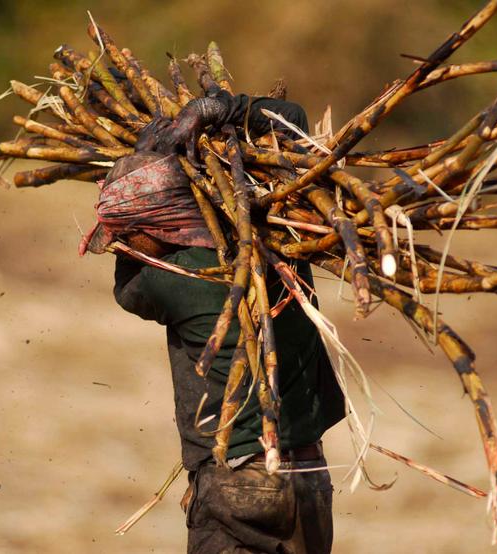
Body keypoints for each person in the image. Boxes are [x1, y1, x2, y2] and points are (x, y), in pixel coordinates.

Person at [81, 90, 345, 554]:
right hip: (309, 479)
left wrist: (149, 156)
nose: (123, 246)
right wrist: (217, 109)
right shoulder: (283, 242)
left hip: (238, 483)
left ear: (161, 221)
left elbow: (125, 287)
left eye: (129, 235)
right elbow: (296, 120)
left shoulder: (167, 281)